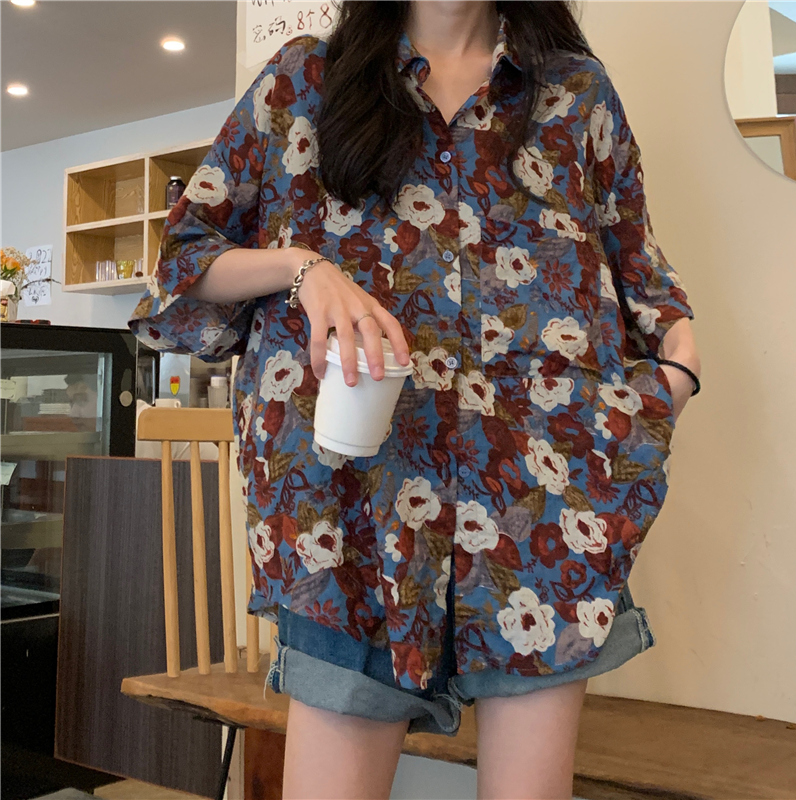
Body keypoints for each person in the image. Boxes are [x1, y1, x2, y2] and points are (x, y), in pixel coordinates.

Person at [128, 1, 702, 797]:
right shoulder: (307, 79)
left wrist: (677, 376)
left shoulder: (573, 93)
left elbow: (642, 272)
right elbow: (184, 261)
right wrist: (302, 267)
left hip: (540, 503)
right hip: (347, 508)